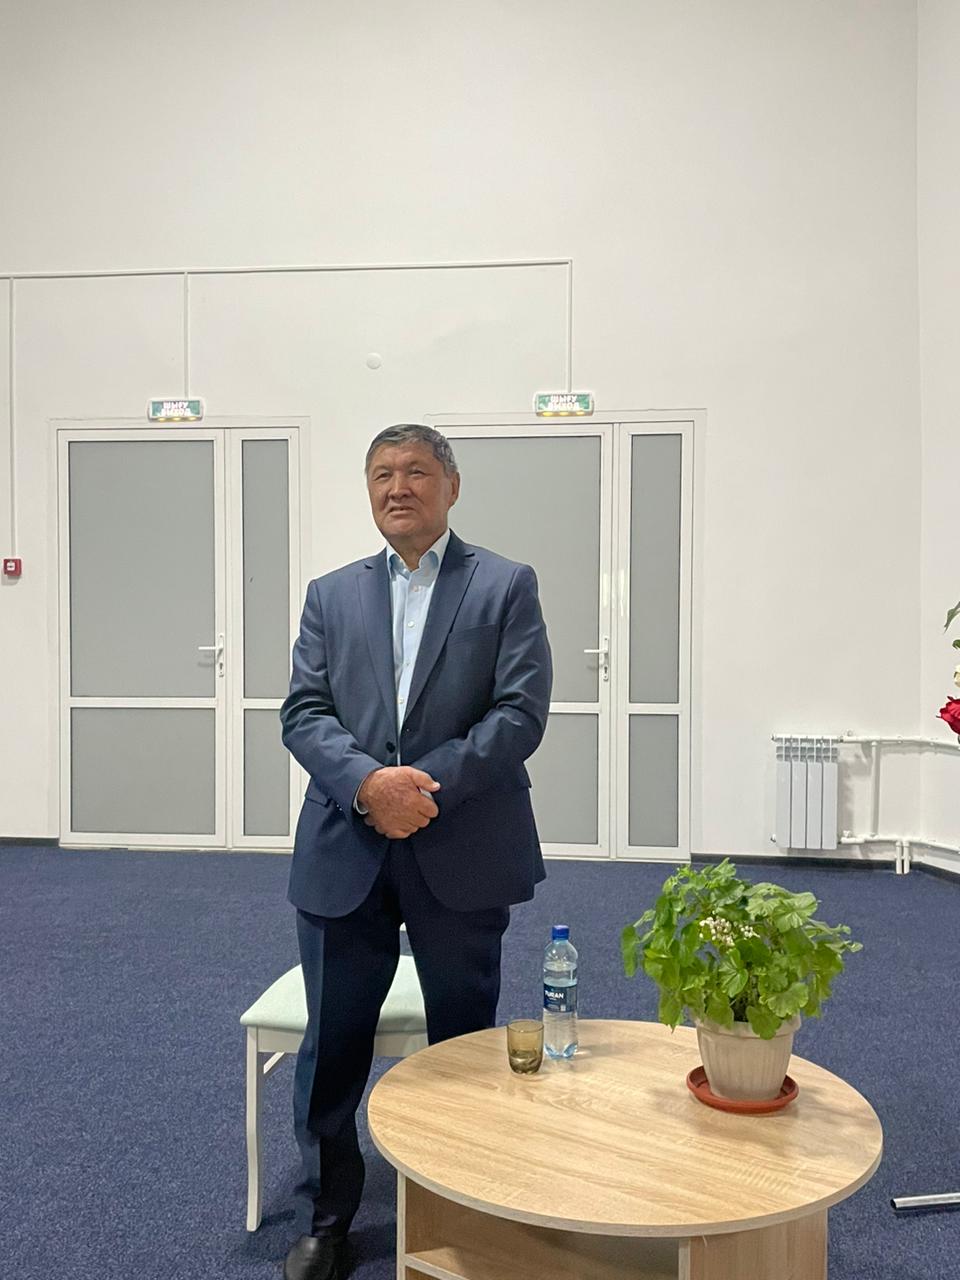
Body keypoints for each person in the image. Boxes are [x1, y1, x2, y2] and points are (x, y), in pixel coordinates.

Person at [279, 424, 552, 1280]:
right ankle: (328, 1215)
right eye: (381, 474)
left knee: (464, 1039)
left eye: (417, 472)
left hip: (461, 843)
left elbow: (520, 713)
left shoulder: (504, 585)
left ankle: (458, 1202)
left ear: (451, 486)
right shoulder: (330, 595)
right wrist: (369, 785)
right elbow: (304, 712)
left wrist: (419, 788)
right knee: (334, 1041)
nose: (398, 487)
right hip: (346, 844)